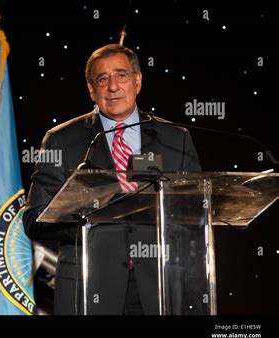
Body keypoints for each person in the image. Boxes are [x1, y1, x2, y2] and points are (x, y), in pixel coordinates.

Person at [23, 44, 201, 315]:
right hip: (89, 286)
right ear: (91, 88)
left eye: (121, 75)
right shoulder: (61, 140)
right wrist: (89, 223)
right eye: (102, 79)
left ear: (138, 81)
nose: (113, 86)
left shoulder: (176, 138)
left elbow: (194, 210)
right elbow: (34, 219)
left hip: (160, 287)